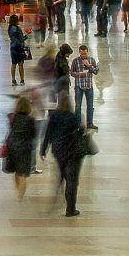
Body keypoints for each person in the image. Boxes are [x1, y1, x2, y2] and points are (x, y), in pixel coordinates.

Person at [40, 86, 90, 217]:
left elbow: (48, 134)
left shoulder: (54, 116)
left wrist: (43, 149)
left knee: (62, 174)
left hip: (58, 151)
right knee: (72, 181)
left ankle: (59, 189)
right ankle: (70, 209)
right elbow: (79, 132)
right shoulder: (73, 117)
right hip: (72, 152)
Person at [3, 95, 40, 200]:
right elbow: (34, 135)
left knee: (16, 172)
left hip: (13, 148)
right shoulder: (30, 119)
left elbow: (10, 130)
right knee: (22, 173)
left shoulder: (13, 117)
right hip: (25, 149)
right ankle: (20, 194)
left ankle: (18, 191)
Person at [71, 44, 100, 130]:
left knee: (90, 105)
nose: (84, 56)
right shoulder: (75, 61)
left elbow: (96, 72)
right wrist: (78, 74)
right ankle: (77, 123)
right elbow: (72, 72)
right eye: (82, 54)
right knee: (78, 106)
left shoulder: (92, 60)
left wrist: (89, 66)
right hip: (79, 86)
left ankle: (90, 123)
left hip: (89, 86)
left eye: (85, 54)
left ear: (87, 52)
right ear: (79, 52)